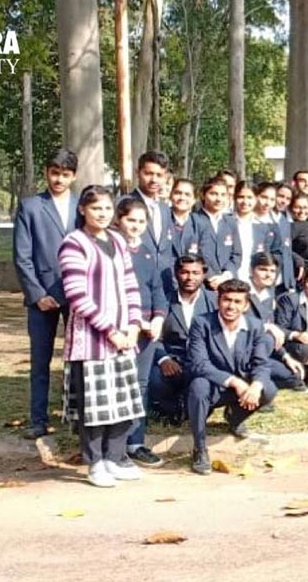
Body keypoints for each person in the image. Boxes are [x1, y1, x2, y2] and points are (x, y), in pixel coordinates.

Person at [58, 185, 145, 488]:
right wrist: (110, 330)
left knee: (122, 402)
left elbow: (131, 284)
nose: (103, 214)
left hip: (124, 337)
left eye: (108, 208)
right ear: (83, 210)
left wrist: (133, 325)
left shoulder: (118, 241)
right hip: (92, 340)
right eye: (96, 208)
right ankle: (95, 462)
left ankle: (115, 458)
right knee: (94, 407)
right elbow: (77, 296)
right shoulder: (74, 243)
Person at [13, 150, 79, 439]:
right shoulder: (30, 207)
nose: (59, 180)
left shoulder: (83, 206)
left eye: (65, 175)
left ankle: (77, 417)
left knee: (79, 359)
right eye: (55, 173)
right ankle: (38, 419)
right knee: (40, 360)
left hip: (78, 295)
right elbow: (22, 257)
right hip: (42, 296)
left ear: (73, 176)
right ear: (46, 173)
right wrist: (37, 294)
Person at [186, 280, 276, 474]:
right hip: (213, 384)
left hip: (240, 387)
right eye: (226, 300)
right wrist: (235, 382)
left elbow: (261, 363)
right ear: (218, 301)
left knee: (267, 389)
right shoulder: (202, 323)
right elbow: (199, 364)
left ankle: (235, 418)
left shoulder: (255, 326)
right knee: (198, 386)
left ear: (246, 305)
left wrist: (255, 386)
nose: (231, 306)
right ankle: (199, 448)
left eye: (237, 301)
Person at [116, 198, 167, 468]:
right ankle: (115, 445)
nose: (135, 226)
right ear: (119, 220)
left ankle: (135, 442)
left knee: (140, 384)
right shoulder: (111, 249)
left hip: (148, 330)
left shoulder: (147, 252)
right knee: (118, 385)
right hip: (122, 328)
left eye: (140, 221)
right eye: (130, 220)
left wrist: (158, 317)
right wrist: (134, 322)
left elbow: (156, 288)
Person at [150, 256, 210, 426]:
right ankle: (172, 409)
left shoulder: (214, 301)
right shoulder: (163, 301)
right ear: (176, 274)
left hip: (203, 361)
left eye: (195, 273)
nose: (190, 277)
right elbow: (155, 336)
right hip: (174, 361)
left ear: (203, 274)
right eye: (185, 272)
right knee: (155, 378)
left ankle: (197, 408)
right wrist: (164, 359)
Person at [243, 253, 308, 393]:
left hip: (262, 354)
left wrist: (286, 357)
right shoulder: (241, 292)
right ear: (251, 270)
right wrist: (266, 326)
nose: (268, 275)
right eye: (263, 269)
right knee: (267, 338)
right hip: (241, 354)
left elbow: (275, 335)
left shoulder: (268, 296)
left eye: (272, 271)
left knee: (295, 376)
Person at [127, 151, 175, 294]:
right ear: (138, 172)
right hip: (135, 284)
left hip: (163, 286)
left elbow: (167, 249)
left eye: (159, 175)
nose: (154, 180)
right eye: (148, 173)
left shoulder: (165, 208)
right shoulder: (124, 204)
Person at [195, 177, 242, 290]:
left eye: (223, 195)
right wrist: (210, 277)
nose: (219, 199)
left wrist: (226, 275)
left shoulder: (230, 221)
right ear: (203, 195)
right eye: (213, 194)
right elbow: (193, 253)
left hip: (228, 284)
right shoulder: (194, 220)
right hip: (203, 284)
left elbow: (236, 254)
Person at [232, 180, 281, 284]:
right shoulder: (226, 222)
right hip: (230, 278)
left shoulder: (264, 226)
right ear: (234, 198)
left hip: (255, 282)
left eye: (250, 197)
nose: (245, 202)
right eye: (241, 197)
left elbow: (272, 255)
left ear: (256, 199)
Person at [166, 178, 208, 295]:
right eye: (178, 193)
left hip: (191, 285)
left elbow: (205, 256)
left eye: (187, 194)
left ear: (194, 199)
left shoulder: (200, 223)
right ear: (171, 195)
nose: (182, 198)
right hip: (165, 281)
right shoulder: (161, 219)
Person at [257, 182, 295, 294]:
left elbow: (287, 252)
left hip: (283, 279)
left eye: (288, 199)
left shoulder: (284, 221)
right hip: (266, 276)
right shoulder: (262, 219)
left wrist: (290, 281)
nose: (284, 201)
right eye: (281, 196)